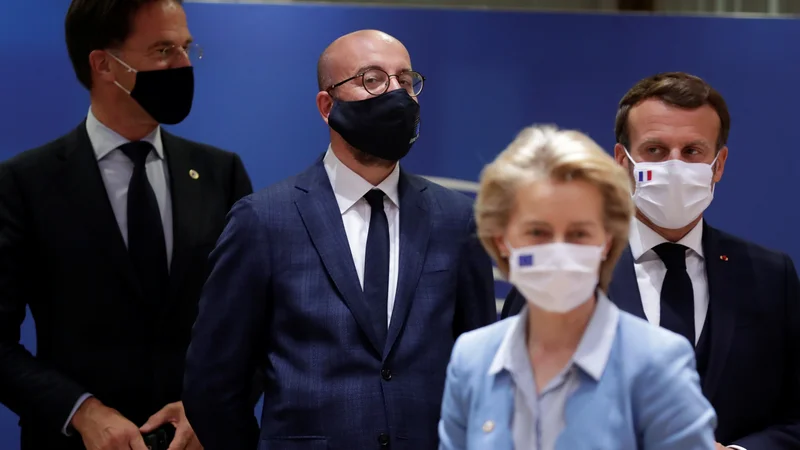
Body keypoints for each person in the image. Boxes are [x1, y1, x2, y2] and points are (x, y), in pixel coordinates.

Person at [182, 29, 497, 450]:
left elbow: (479, 368)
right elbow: (213, 385)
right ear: (327, 106)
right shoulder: (264, 221)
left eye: (405, 81)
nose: (396, 94)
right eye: (372, 79)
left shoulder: (456, 221)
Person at [0, 1, 254, 449]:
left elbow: (259, 321)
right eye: (162, 50)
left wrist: (212, 406)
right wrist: (80, 410)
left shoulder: (221, 173)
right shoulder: (25, 183)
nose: (181, 65)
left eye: (185, 48)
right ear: (103, 64)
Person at [500, 72, 800, 449]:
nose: (674, 167)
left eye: (693, 152)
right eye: (655, 150)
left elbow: (794, 417)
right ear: (622, 162)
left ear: (718, 165)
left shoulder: (771, 277)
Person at [438, 124, 717, 450]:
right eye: (538, 232)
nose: (558, 250)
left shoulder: (657, 363)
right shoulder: (472, 358)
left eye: (579, 233)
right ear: (501, 240)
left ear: (607, 239)